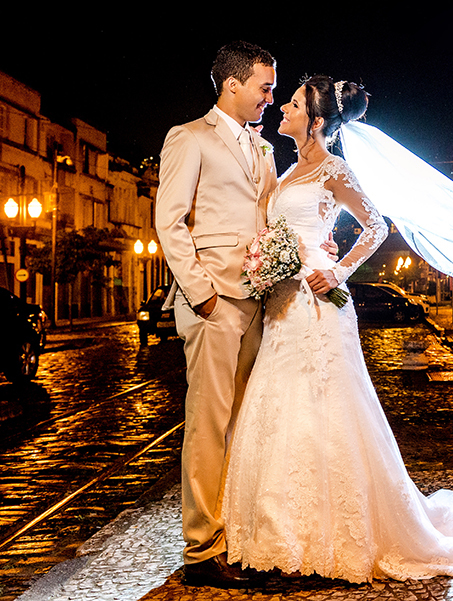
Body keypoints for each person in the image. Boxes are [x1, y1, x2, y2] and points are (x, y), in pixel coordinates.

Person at [223, 75, 453, 583]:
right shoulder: (287, 172)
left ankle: (332, 536)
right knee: (282, 410)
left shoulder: (333, 168)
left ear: (317, 121)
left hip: (319, 308)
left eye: (295, 104)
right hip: (284, 310)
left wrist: (338, 269)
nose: (284, 108)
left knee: (326, 413)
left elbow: (377, 226)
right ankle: (283, 534)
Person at [155, 40, 280, 588]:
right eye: (265, 87)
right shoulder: (189, 138)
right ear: (233, 84)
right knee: (209, 424)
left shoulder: (265, 149)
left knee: (246, 424)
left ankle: (239, 533)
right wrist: (202, 294)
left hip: (260, 300)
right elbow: (170, 220)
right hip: (215, 302)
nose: (270, 99)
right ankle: (202, 549)